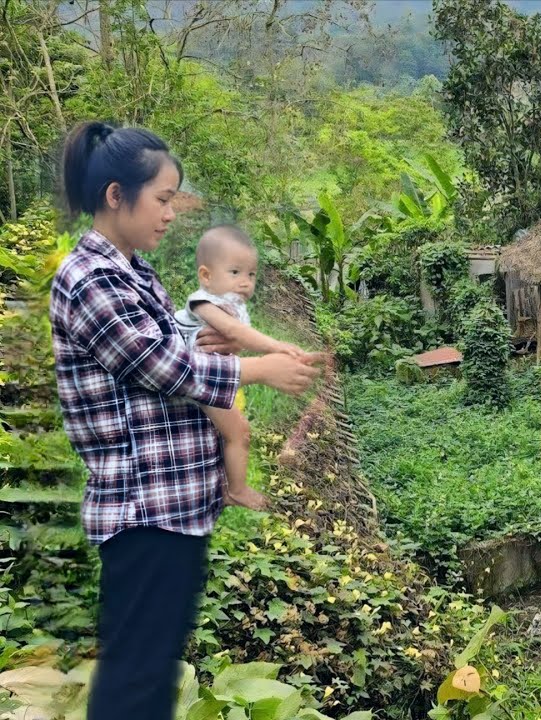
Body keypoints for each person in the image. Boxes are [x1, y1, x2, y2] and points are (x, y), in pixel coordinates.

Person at [50, 120, 323, 720]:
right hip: (144, 512)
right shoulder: (90, 277)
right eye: (163, 199)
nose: (172, 214)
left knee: (149, 678)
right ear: (116, 195)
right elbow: (159, 366)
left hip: (174, 509)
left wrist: (207, 346)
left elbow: (171, 348)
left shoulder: (135, 273)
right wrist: (261, 369)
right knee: (135, 684)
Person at [173, 224, 307, 511]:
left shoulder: (229, 303)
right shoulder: (203, 302)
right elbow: (233, 333)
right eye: (235, 272)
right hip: (188, 378)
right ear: (206, 276)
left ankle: (222, 483)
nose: (245, 282)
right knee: (238, 432)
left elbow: (232, 341)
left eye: (251, 274)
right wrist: (274, 346)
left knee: (230, 433)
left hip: (209, 379)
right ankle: (237, 490)